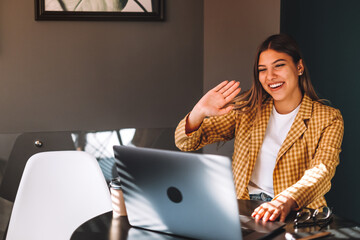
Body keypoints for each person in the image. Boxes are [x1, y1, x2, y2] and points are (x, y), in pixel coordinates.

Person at [174, 34, 344, 222]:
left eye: (279, 65)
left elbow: (322, 170)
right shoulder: (247, 110)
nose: (270, 76)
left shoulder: (328, 117)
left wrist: (286, 199)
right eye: (262, 69)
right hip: (246, 209)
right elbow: (185, 143)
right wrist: (198, 112)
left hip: (296, 213)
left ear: (299, 67)